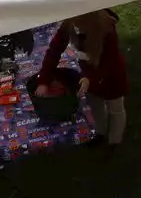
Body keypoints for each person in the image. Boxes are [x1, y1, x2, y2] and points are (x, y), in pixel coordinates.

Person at [33, 10, 130, 147]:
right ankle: (101, 133)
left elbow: (110, 60)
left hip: (112, 76)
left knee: (115, 109)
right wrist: (43, 81)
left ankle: (114, 142)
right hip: (88, 77)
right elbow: (54, 51)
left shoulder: (107, 27)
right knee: (96, 106)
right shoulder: (70, 23)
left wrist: (90, 78)